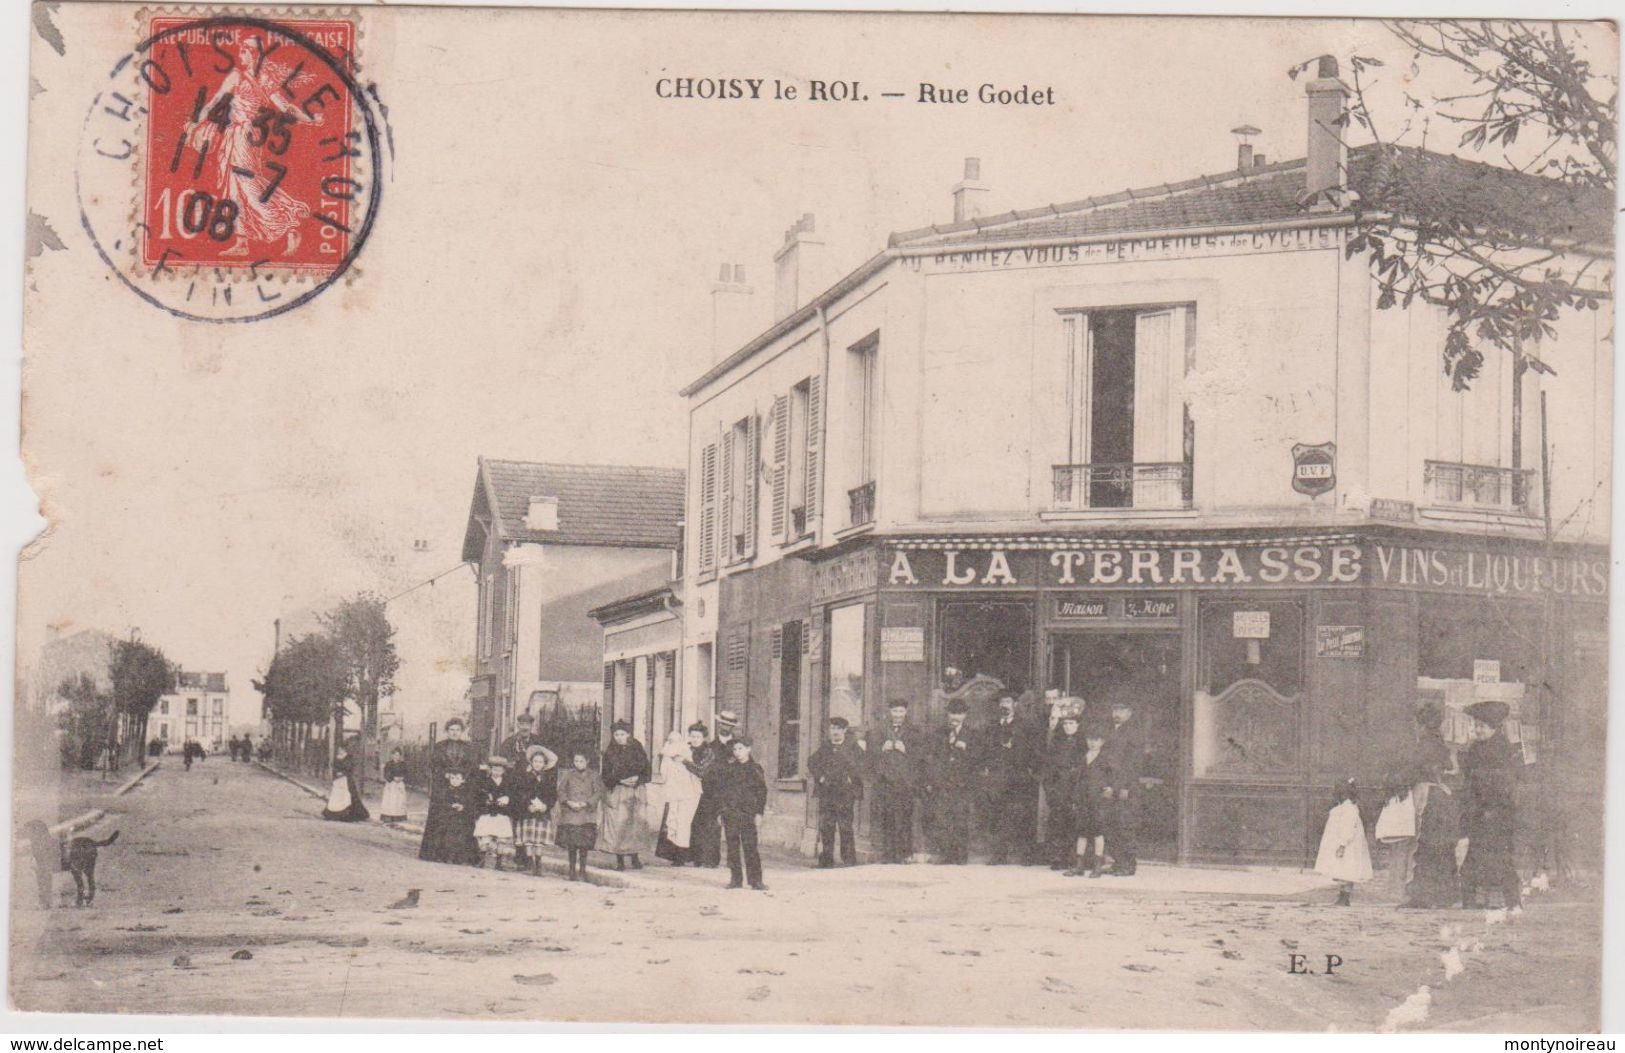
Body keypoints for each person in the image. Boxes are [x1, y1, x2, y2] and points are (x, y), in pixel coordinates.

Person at [1459, 700, 1521, 909]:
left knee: (1500, 856)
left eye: (1482, 726)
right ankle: (1469, 900)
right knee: (1474, 855)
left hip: (1496, 811)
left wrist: (1488, 803)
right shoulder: (1476, 747)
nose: (1477, 729)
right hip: (1478, 810)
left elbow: (1502, 782)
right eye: (1476, 725)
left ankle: (1513, 901)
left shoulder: (1502, 749)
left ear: (1494, 728)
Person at [981, 694, 1039, 865]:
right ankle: (999, 855)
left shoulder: (1025, 725)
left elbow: (1032, 749)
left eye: (1007, 702)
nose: (1004, 706)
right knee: (997, 815)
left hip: (1019, 776)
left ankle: (1026, 855)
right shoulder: (992, 726)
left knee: (1022, 815)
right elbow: (985, 749)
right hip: (998, 777)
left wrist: (1026, 766)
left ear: (1015, 704)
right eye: (1001, 702)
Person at [419, 717, 480, 864]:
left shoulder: (468, 748)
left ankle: (462, 856)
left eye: (457, 730)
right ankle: (438, 853)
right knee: (441, 818)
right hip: (443, 788)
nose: (454, 733)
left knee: (462, 819)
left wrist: (462, 778)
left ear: (462, 731)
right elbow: (433, 766)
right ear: (447, 731)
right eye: (451, 730)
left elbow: (473, 767)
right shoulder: (439, 747)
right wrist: (445, 775)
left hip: (463, 787)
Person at [928, 699, 980, 865]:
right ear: (947, 715)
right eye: (952, 713)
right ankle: (945, 854)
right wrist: (935, 779)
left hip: (962, 784)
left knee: (960, 819)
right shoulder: (939, 733)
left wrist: (966, 749)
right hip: (943, 783)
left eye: (959, 714)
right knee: (942, 819)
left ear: (964, 715)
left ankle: (960, 856)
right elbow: (931, 758)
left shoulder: (972, 735)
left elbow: (980, 759)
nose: (955, 717)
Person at [871, 700, 923, 864]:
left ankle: (904, 854)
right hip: (885, 781)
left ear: (906, 712)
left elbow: (923, 754)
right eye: (895, 711)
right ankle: (888, 854)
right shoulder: (879, 730)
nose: (898, 715)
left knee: (904, 817)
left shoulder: (915, 731)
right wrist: (881, 748)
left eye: (901, 711)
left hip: (905, 782)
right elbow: (869, 752)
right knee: (887, 816)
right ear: (890, 712)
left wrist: (906, 748)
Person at [715, 736, 769, 890]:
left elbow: (762, 793)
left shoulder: (755, 769)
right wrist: (721, 812)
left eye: (741, 749)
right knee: (732, 846)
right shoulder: (729, 769)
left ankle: (756, 880)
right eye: (735, 749)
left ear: (748, 749)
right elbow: (723, 793)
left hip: (748, 814)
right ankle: (735, 879)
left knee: (750, 846)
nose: (737, 752)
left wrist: (759, 813)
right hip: (730, 813)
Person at [808, 717, 863, 867]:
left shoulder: (853, 747)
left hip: (845, 793)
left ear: (845, 730)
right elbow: (812, 762)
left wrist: (851, 778)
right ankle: (826, 860)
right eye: (833, 728)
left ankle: (849, 860)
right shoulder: (825, 747)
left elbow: (862, 764)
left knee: (845, 826)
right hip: (827, 792)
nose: (835, 732)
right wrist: (820, 777)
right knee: (827, 826)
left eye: (838, 729)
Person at [1100, 696, 1146, 876]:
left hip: (1126, 786)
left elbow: (1134, 763)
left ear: (1129, 713)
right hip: (1109, 784)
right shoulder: (1110, 730)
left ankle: (1128, 864)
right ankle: (1118, 861)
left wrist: (1125, 786)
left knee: (1125, 825)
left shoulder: (1134, 732)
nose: (1117, 714)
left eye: (1121, 710)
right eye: (1115, 710)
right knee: (1110, 824)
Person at [598, 720, 652, 870]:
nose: (619, 737)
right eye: (616, 734)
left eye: (622, 734)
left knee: (634, 825)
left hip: (636, 791)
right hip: (618, 791)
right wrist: (619, 780)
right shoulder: (610, 752)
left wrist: (637, 779)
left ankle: (635, 857)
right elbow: (606, 775)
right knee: (618, 824)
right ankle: (620, 860)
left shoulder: (637, 748)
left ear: (628, 734)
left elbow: (647, 770)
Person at [1315, 778, 1373, 906]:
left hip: (1348, 844)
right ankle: (1343, 895)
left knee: (1348, 869)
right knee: (1343, 869)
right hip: (1344, 842)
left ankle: (1345, 897)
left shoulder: (1349, 808)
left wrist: (1342, 844)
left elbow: (1348, 827)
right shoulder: (1343, 806)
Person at [688, 714, 737, 868]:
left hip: (731, 791)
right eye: (723, 724)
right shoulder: (710, 746)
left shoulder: (738, 745)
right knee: (709, 824)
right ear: (719, 725)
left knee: (732, 825)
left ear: (732, 727)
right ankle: (709, 859)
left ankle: (733, 860)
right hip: (712, 790)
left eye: (729, 725)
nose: (725, 727)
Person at [1067, 718, 1113, 877]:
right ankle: (1079, 865)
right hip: (1083, 798)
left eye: (1096, 740)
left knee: (1097, 832)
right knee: (1082, 832)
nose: (1093, 743)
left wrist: (1110, 788)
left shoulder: (1106, 758)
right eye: (1090, 740)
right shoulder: (1083, 757)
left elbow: (1113, 776)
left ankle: (1097, 866)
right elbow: (1077, 779)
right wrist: (1075, 798)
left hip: (1098, 799)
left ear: (1102, 741)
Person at [1042, 703, 1085, 869]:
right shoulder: (1057, 742)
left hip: (1075, 789)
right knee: (1057, 822)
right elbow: (1049, 767)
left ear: (1078, 725)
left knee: (1074, 823)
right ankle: (1057, 857)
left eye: (1072, 724)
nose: (1068, 727)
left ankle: (1074, 857)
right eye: (1065, 724)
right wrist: (1050, 788)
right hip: (1058, 789)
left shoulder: (1083, 744)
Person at [653, 729, 704, 866]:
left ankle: (682, 855)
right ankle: (675, 854)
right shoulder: (666, 756)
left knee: (683, 823)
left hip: (689, 793)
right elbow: (664, 774)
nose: (672, 743)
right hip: (675, 792)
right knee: (673, 822)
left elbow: (697, 771)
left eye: (675, 741)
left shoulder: (687, 753)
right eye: (670, 741)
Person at [556, 749, 605, 881]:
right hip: (571, 812)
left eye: (581, 761)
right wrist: (568, 802)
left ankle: (582, 870)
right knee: (572, 844)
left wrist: (586, 803)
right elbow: (561, 790)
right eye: (576, 761)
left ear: (587, 762)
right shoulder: (568, 775)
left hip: (586, 813)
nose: (578, 763)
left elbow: (598, 792)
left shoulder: (594, 776)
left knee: (584, 844)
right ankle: (572, 869)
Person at [512, 744, 560, 875]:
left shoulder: (548, 778)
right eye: (535, 761)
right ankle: (530, 862)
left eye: (540, 762)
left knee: (539, 840)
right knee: (528, 840)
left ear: (544, 764)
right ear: (531, 762)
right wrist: (528, 805)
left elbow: (552, 795)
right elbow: (520, 793)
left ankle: (538, 864)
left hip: (542, 813)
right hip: (528, 812)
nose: (537, 764)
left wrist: (546, 806)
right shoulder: (524, 777)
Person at [473, 755, 517, 869]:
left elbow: (512, 795)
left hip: (502, 813)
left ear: (503, 771)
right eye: (494, 769)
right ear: (490, 769)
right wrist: (486, 800)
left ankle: (499, 862)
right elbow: (479, 795)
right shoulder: (485, 782)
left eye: (499, 770)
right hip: (488, 812)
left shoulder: (508, 783)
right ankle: (482, 859)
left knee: (501, 838)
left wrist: (507, 799)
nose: (497, 772)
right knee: (485, 837)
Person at [322, 743, 370, 822]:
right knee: (336, 796)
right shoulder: (336, 758)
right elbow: (333, 767)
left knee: (350, 796)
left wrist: (343, 773)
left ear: (345, 749)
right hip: (338, 780)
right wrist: (336, 773)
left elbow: (350, 768)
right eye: (339, 749)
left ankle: (350, 814)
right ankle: (333, 813)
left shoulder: (349, 758)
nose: (339, 750)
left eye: (341, 749)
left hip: (346, 779)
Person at [380, 747, 410, 824]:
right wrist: (393, 778)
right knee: (391, 800)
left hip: (400, 784)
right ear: (392, 755)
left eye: (398, 755)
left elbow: (406, 773)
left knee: (399, 801)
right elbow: (386, 773)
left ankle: (399, 816)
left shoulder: (403, 764)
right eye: (395, 755)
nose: (397, 756)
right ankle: (389, 816)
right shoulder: (389, 764)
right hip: (391, 784)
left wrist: (402, 778)